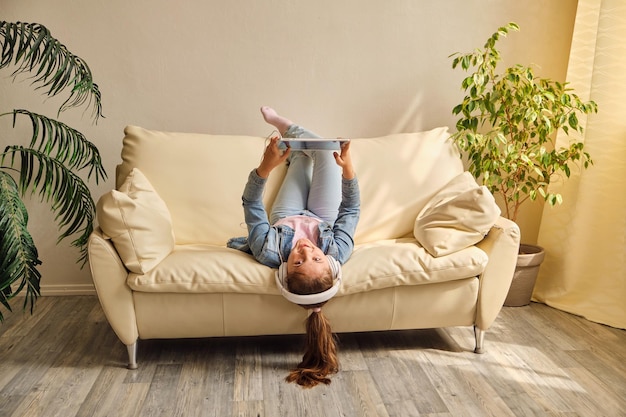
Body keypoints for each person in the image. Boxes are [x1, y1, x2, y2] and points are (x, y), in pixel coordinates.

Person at [227, 106, 360, 388]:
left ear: (284, 273)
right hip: (323, 216)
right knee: (324, 152)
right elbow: (350, 210)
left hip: (285, 216)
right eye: (317, 257)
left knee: (298, 157)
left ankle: (290, 136)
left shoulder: (269, 250)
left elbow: (251, 204)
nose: (305, 249)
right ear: (330, 261)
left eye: (299, 261)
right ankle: (286, 126)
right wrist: (348, 169)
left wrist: (266, 166)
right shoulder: (338, 251)